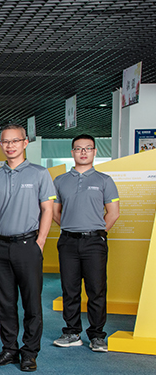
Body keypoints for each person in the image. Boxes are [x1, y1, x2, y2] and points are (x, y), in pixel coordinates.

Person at [0, 124, 55, 372]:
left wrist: (40, 242)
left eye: (15, 141)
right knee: (5, 302)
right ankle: (9, 350)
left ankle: (29, 352)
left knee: (31, 302)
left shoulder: (39, 174)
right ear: (0, 145)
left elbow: (47, 209)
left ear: (25, 143)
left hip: (27, 245)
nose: (10, 145)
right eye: (5, 141)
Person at [52, 135, 119, 352]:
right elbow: (54, 212)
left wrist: (97, 232)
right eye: (78, 148)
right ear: (72, 152)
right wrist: (71, 226)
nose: (83, 152)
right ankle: (72, 332)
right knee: (70, 289)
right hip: (68, 242)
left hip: (94, 243)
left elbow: (113, 213)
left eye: (87, 148)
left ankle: (97, 335)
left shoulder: (104, 180)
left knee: (96, 290)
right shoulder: (60, 181)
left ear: (94, 152)